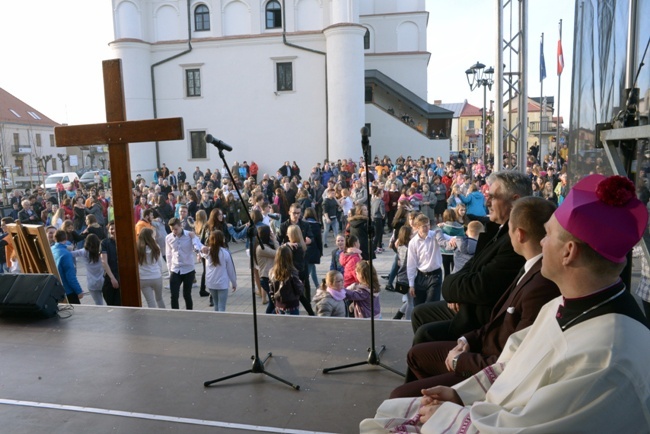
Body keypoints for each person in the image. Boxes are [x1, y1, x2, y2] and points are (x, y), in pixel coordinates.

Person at [360, 174, 650, 433]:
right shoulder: (564, 304)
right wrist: (460, 395)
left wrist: (449, 415)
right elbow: (514, 365)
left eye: (547, 235)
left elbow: (527, 427)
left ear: (568, 252)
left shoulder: (606, 360)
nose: (541, 242)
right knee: (390, 412)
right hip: (487, 406)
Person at [390, 196, 560, 398]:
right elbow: (473, 271)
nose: (488, 200)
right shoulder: (528, 266)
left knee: (399, 393)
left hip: (489, 368)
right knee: (417, 343)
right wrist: (467, 339)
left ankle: (420, 402)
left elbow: (513, 361)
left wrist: (459, 361)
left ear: (519, 235)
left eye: (510, 230)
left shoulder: (539, 283)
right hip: (479, 341)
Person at [411, 171, 531, 345]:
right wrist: (455, 289)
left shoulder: (515, 241)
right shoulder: (495, 229)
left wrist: (451, 289)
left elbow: (482, 286)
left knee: (425, 334)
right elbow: (471, 265)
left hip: (481, 316)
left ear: (514, 200)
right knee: (419, 313)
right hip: (467, 303)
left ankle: (450, 366)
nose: (487, 202)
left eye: (492, 197)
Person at [166, 217, 208, 310]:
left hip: (188, 269)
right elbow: (168, 255)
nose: (174, 231)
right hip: (175, 269)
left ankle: (189, 313)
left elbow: (199, 245)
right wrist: (169, 271)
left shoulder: (190, 235)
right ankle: (175, 313)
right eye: (172, 229)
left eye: (176, 229)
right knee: (174, 295)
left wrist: (203, 249)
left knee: (187, 294)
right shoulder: (168, 238)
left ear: (181, 226)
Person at [407, 214, 448, 306]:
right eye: (424, 226)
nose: (427, 228)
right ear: (417, 227)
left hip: (435, 275)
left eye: (428, 225)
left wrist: (455, 239)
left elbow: (447, 237)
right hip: (421, 275)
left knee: (431, 305)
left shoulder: (434, 235)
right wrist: (411, 285)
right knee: (418, 305)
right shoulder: (413, 242)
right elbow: (411, 264)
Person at [201, 230, 237, 312]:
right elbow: (230, 270)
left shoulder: (208, 252)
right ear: (222, 239)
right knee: (222, 306)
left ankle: (216, 320)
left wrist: (202, 248)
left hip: (211, 282)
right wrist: (234, 283)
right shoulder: (225, 253)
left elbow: (200, 252)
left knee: (216, 305)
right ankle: (221, 321)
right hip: (222, 283)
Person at [269, 245, 304, 315]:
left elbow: (271, 290)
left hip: (279, 305)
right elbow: (299, 290)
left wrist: (275, 302)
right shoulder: (292, 272)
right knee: (292, 325)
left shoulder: (272, 272)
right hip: (291, 305)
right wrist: (301, 283)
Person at [51, 229, 84, 304]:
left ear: (54, 238)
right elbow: (70, 276)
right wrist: (78, 290)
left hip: (55, 288)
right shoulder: (66, 254)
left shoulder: (51, 249)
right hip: (68, 291)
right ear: (66, 238)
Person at [71, 234, 105, 305]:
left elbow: (70, 254)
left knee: (98, 303)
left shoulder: (83, 252)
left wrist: (68, 247)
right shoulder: (102, 251)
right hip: (104, 281)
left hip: (92, 283)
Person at [137, 228, 165, 308]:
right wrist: (160, 273)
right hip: (156, 276)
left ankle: (153, 318)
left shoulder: (137, 248)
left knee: (150, 301)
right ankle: (164, 315)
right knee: (159, 299)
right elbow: (160, 263)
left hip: (143, 278)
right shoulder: (156, 247)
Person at [255, 225, 279, 314]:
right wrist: (275, 240)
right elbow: (278, 253)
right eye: (270, 233)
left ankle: (268, 316)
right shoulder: (261, 248)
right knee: (274, 303)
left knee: (273, 302)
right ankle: (268, 317)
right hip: (266, 278)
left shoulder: (264, 246)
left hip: (269, 277)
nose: (271, 234)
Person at [101, 220, 121, 306]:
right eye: (111, 229)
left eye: (116, 229)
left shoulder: (124, 241)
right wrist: (112, 278)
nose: (113, 231)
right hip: (110, 277)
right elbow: (104, 261)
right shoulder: (105, 243)